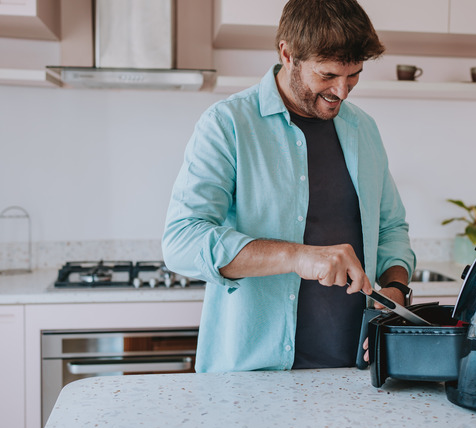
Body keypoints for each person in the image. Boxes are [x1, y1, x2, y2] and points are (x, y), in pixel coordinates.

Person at [162, 0, 416, 373]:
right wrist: (297, 256)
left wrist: (395, 289)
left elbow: (392, 227)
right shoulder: (227, 124)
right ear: (287, 53)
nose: (342, 92)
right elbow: (182, 241)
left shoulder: (364, 130)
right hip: (253, 379)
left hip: (354, 375)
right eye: (328, 75)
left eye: (354, 75)